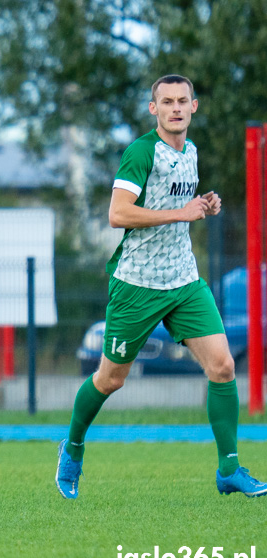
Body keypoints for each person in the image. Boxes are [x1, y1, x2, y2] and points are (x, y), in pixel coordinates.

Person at [55, 75, 267, 500]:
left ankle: (228, 470)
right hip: (137, 285)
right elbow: (118, 214)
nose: (175, 108)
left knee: (223, 367)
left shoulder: (189, 151)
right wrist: (180, 214)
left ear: (194, 107)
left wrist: (203, 204)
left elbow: (178, 204)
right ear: (153, 109)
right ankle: (73, 446)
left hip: (183, 281)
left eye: (182, 101)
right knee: (111, 379)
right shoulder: (140, 152)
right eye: (166, 101)